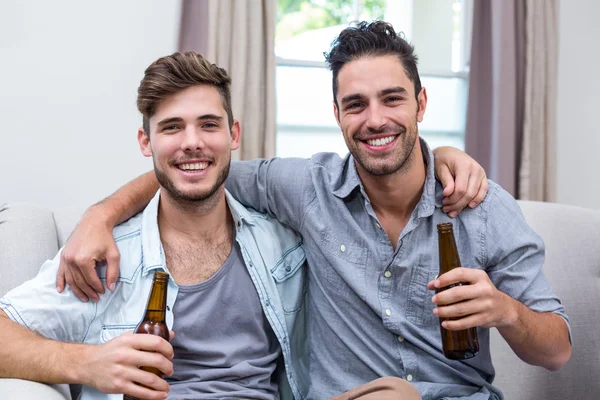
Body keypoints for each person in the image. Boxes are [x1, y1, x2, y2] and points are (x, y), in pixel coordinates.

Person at [53, 25, 528, 400]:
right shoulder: (306, 189)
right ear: (337, 114)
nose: (375, 118)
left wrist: (504, 310)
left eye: (393, 98)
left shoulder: (477, 203)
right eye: (356, 104)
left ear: (421, 103)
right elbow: (193, 172)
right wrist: (100, 214)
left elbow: (558, 347)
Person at [0, 51, 310, 400]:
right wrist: (88, 363)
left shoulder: (283, 246)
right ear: (145, 142)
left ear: (233, 134)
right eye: (172, 127)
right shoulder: (103, 259)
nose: (192, 142)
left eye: (208, 124)